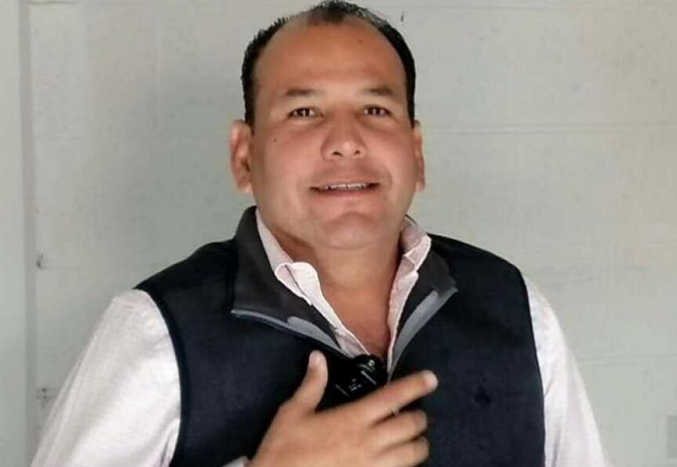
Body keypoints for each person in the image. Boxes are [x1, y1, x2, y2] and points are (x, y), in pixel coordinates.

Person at [31, 1, 614, 466]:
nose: (345, 141)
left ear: (416, 153)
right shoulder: (155, 332)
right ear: (243, 156)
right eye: (303, 112)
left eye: (375, 110)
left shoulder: (515, 308)